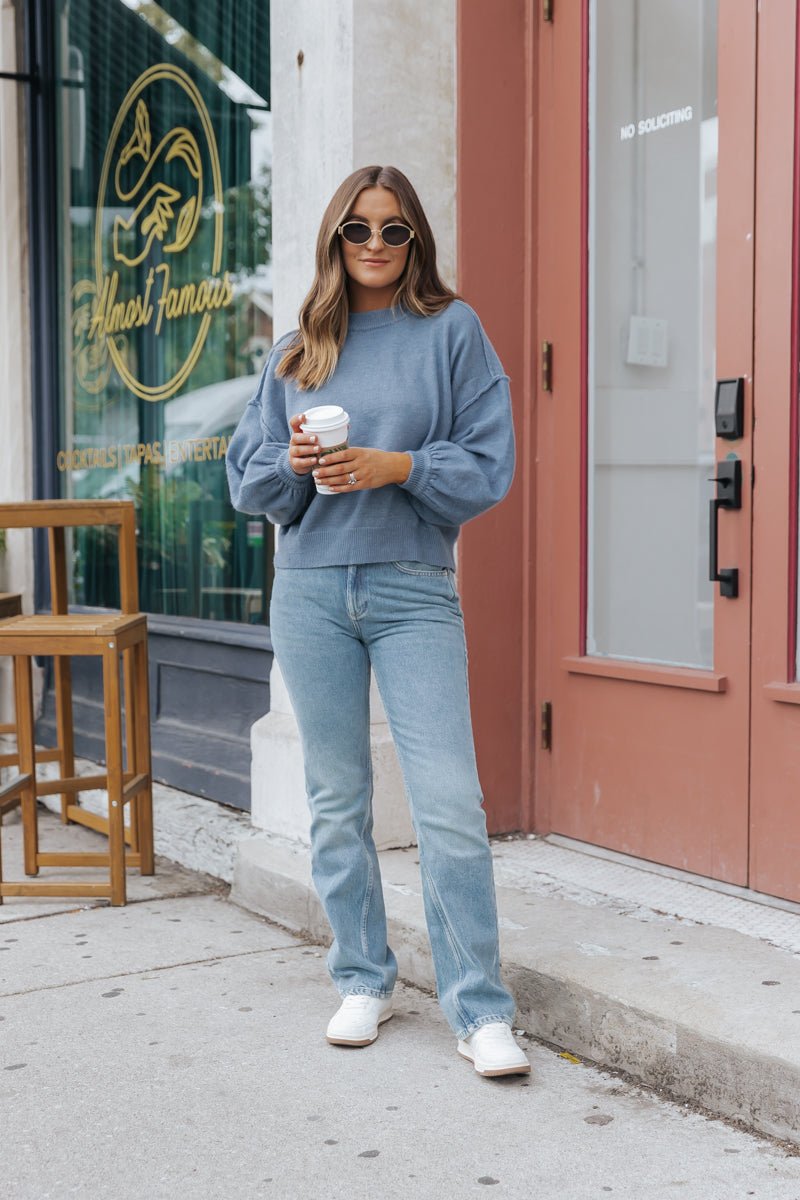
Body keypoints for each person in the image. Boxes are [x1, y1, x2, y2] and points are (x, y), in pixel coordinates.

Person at [226, 165, 529, 1078]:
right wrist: (292, 459)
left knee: (448, 802)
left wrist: (397, 467)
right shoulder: (298, 348)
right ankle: (364, 976)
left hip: (411, 589)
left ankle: (479, 1008)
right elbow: (249, 486)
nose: (373, 245)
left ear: (415, 240)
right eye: (357, 229)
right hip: (312, 589)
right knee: (336, 799)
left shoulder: (453, 331)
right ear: (333, 239)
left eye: (393, 231)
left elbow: (490, 464)